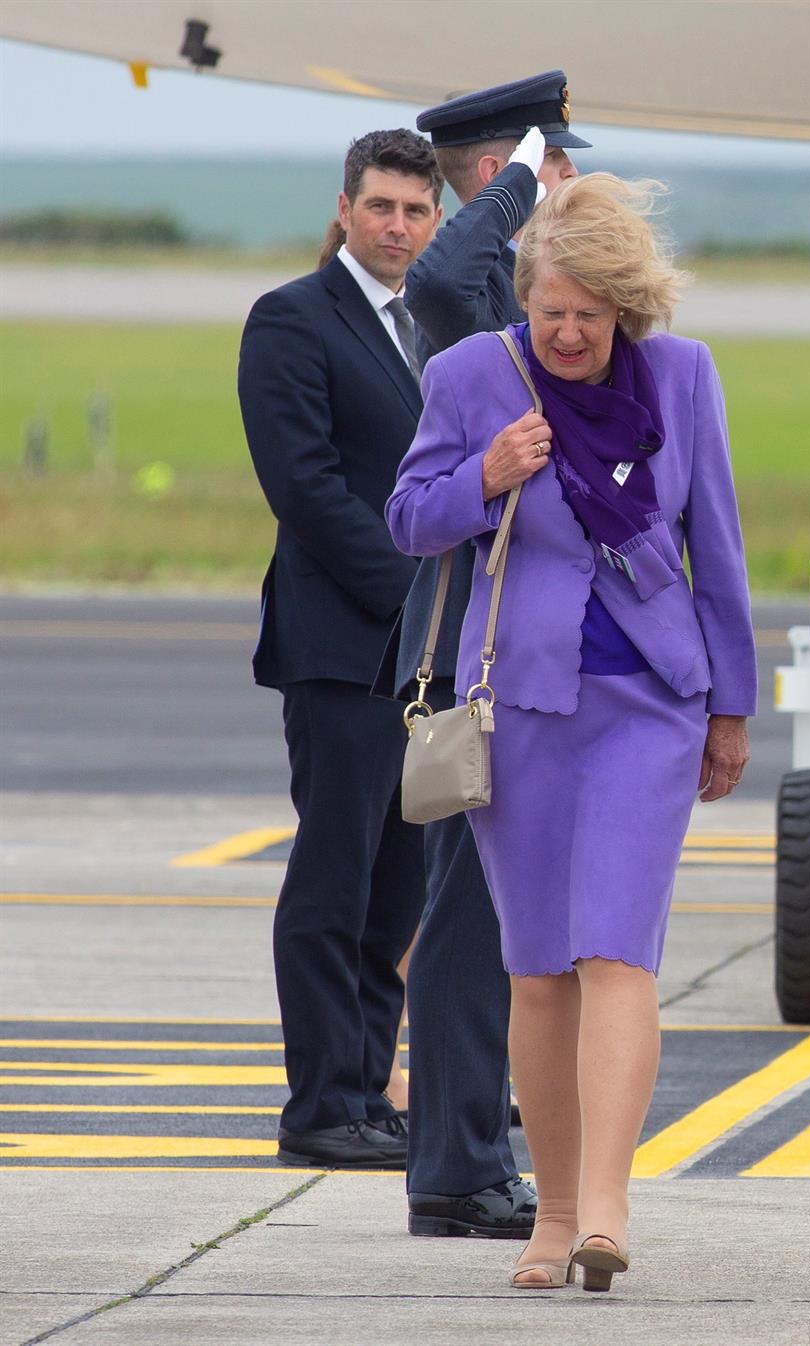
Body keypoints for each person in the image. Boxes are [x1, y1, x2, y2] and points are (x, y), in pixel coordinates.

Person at [386, 173, 756, 1292]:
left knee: (615, 947)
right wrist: (484, 477)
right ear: (526, 295)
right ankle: (549, 1216)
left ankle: (606, 1201)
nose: (568, 332)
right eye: (552, 310)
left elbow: (719, 544)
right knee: (538, 965)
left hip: (651, 700)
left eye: (591, 314)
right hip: (522, 700)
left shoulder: (681, 377)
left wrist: (730, 705)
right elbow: (407, 515)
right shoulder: (469, 376)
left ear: (626, 309)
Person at [384, 69, 583, 1243]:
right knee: (465, 927)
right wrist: (520, 177)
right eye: (557, 166)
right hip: (477, 670)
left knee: (489, 923)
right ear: (501, 172)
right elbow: (450, 268)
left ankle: (470, 1154)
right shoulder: (477, 299)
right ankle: (456, 1167)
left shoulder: (528, 306)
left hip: (529, 667)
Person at [236, 129, 444, 1168]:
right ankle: (319, 1104)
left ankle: (368, 1087)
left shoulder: (433, 326)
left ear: (435, 218)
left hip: (423, 657)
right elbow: (305, 484)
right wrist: (416, 595)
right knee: (333, 879)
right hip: (343, 644)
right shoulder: (292, 317)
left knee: (396, 890)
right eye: (380, 207)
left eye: (415, 210)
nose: (397, 226)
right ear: (345, 208)